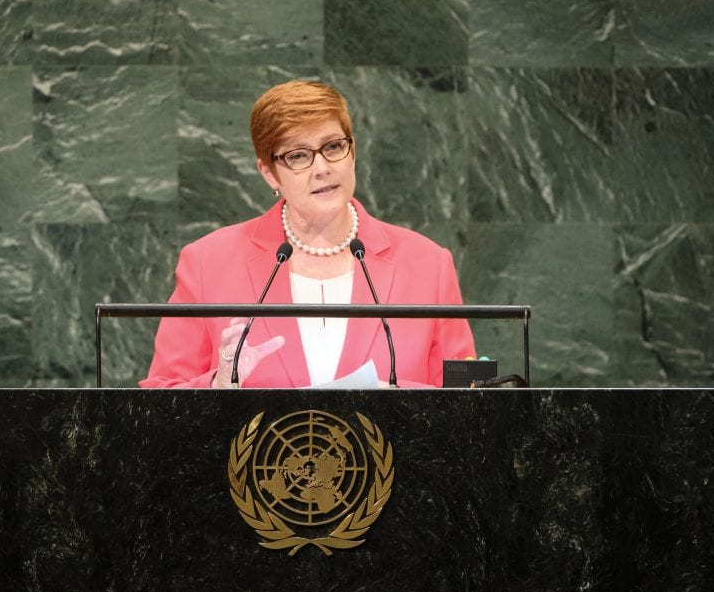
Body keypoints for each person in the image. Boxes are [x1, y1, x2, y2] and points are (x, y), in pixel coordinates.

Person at [140, 80, 474, 388]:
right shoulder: (207, 263)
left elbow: (466, 402)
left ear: (352, 151)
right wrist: (218, 385)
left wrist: (400, 404)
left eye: (332, 146)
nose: (322, 168)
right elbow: (156, 401)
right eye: (298, 156)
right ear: (269, 173)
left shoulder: (429, 264)